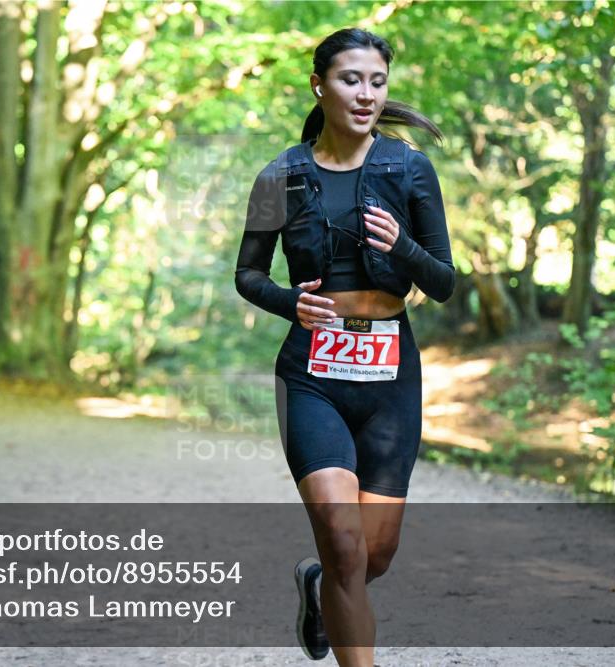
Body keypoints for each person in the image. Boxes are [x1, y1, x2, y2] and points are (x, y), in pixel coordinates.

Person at [234, 28, 455, 666]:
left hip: (390, 381)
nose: (366, 94)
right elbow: (248, 274)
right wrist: (290, 302)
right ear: (319, 86)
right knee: (342, 540)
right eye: (350, 80)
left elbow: (443, 282)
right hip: (312, 374)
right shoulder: (280, 175)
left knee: (370, 557)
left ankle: (317, 582)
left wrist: (402, 247)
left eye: (377, 82)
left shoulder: (409, 168)